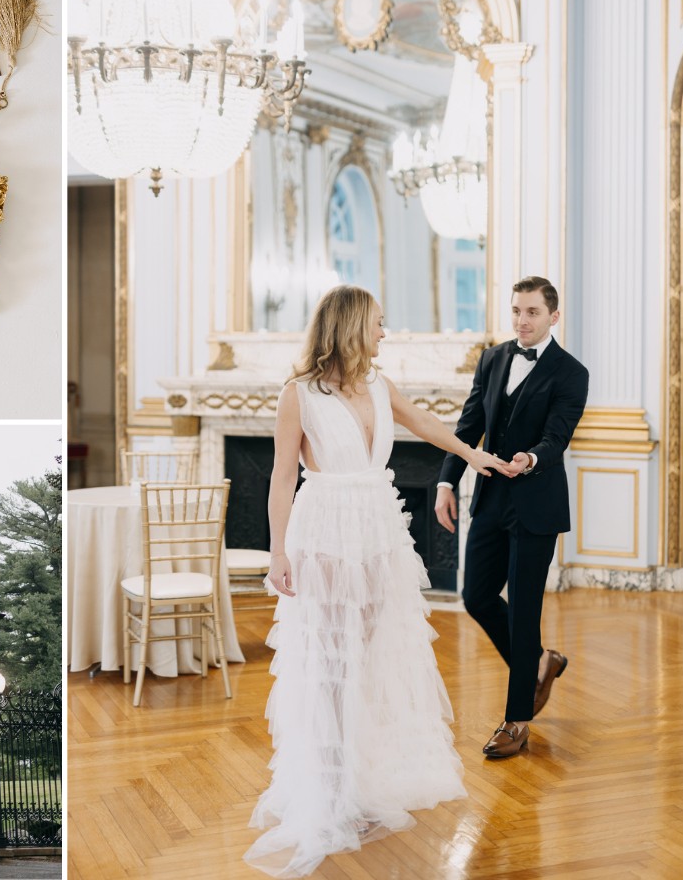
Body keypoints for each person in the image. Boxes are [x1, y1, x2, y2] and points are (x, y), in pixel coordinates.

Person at [246, 285, 517, 878]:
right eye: (377, 324)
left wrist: (479, 459)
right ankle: (328, 795)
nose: (384, 333)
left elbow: (428, 426)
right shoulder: (298, 395)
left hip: (376, 533)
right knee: (328, 669)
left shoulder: (378, 384)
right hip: (323, 536)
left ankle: (357, 784)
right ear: (348, 327)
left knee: (364, 665)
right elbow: (280, 479)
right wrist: (277, 553)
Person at [435, 275, 589, 759]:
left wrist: (531, 458)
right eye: (516, 311)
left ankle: (516, 721)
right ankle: (541, 662)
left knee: (524, 611)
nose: (522, 321)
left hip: (536, 503)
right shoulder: (493, 357)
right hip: (490, 498)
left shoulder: (571, 372)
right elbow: (469, 425)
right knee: (476, 596)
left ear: (553, 317)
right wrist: (445, 480)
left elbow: (556, 436)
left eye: (532, 313)